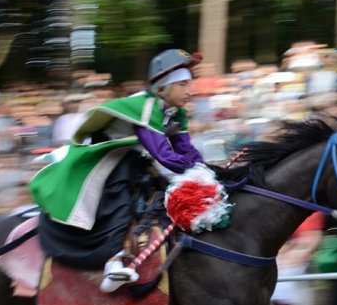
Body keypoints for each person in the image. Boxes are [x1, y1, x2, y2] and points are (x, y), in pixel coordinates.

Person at [28, 49, 205, 291]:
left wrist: (207, 170)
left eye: (190, 84)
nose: (190, 91)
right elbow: (164, 155)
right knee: (122, 202)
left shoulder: (177, 112)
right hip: (107, 160)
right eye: (183, 84)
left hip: (134, 158)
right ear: (163, 87)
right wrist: (199, 172)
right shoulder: (146, 107)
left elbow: (186, 150)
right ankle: (113, 262)